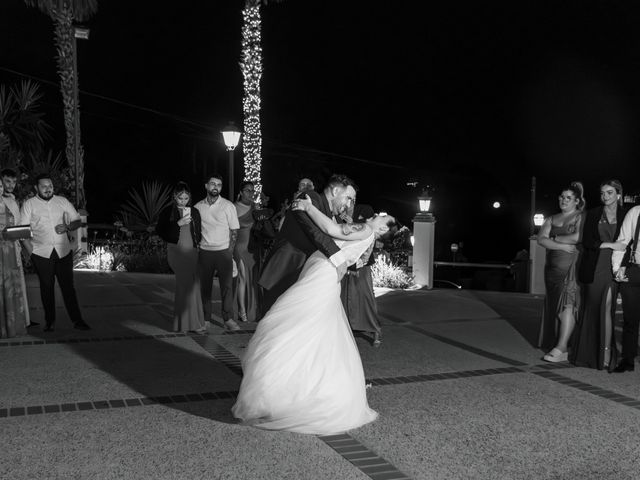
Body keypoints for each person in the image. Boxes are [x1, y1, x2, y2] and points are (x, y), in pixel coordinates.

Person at [232, 194, 395, 434]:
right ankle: (300, 388)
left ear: (383, 228)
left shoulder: (363, 229)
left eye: (384, 217)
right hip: (325, 276)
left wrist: (308, 207)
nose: (378, 214)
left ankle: (282, 390)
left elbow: (330, 228)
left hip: (322, 276)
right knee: (313, 329)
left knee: (292, 323)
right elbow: (352, 258)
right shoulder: (367, 236)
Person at [258, 174, 356, 315]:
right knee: (274, 322)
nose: (348, 205)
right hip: (285, 270)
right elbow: (314, 231)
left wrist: (356, 261)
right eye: (348, 198)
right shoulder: (309, 197)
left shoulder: (332, 217)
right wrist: (338, 257)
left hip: (303, 277)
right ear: (335, 192)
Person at [20, 173, 90, 332]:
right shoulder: (29, 205)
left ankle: (78, 320)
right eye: (44, 186)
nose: (48, 189)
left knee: (68, 288)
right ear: (36, 188)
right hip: (41, 253)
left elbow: (77, 220)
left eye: (50, 186)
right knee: (47, 288)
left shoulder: (62, 201)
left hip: (63, 251)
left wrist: (67, 227)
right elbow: (22, 230)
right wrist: (31, 252)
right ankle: (49, 321)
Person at [571, 180, 626, 370]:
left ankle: (606, 353)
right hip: (595, 265)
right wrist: (611, 245)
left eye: (610, 193)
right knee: (594, 309)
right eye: (603, 193)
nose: (605, 197)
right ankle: (589, 354)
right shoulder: (593, 214)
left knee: (608, 306)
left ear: (618, 194)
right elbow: (587, 242)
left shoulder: (626, 214)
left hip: (616, 265)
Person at [537, 181, 584, 362]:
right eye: (562, 197)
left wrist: (554, 238)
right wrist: (560, 245)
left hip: (571, 268)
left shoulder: (581, 216)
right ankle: (562, 343)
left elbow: (578, 237)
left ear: (577, 201)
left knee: (568, 304)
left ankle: (562, 347)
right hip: (551, 269)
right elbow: (541, 239)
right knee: (556, 305)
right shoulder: (551, 218)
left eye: (568, 198)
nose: (564, 200)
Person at [156, 181, 206, 333]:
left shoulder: (194, 212)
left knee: (195, 286)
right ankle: (183, 323)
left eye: (186, 198)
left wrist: (200, 246)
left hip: (192, 252)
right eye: (180, 198)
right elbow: (162, 232)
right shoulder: (167, 212)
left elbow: (198, 233)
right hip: (176, 252)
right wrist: (178, 223)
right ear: (174, 197)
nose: (183, 201)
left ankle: (196, 323)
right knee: (184, 286)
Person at [194, 174, 241, 331]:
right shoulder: (198, 207)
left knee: (227, 287)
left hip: (223, 252)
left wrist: (229, 252)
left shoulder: (228, 206)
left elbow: (234, 230)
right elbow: (194, 229)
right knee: (205, 288)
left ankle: (228, 319)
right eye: (213, 184)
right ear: (206, 186)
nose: (216, 187)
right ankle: (205, 319)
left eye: (219, 185)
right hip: (205, 252)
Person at [341, 204, 382, 347]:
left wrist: (352, 223)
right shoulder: (338, 212)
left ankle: (375, 329)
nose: (349, 201)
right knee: (345, 296)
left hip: (362, 262)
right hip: (345, 261)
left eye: (352, 198)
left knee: (365, 296)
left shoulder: (364, 210)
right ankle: (346, 327)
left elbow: (369, 230)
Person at [1, 168, 34, 328]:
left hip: (13, 248)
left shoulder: (14, 201)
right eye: (7, 181)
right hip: (2, 250)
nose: (11, 185)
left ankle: (21, 320)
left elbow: (19, 226)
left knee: (17, 284)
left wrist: (29, 249)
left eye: (14, 182)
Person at [610, 205, 640, 372]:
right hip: (634, 270)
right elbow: (623, 241)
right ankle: (628, 359)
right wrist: (616, 269)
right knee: (630, 318)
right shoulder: (636, 212)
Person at [233, 181, 258, 322]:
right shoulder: (233, 207)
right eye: (247, 190)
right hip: (239, 248)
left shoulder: (255, 207)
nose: (250, 193)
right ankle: (242, 311)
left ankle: (251, 309)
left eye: (252, 191)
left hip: (252, 249)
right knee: (242, 278)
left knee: (251, 280)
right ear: (241, 192)